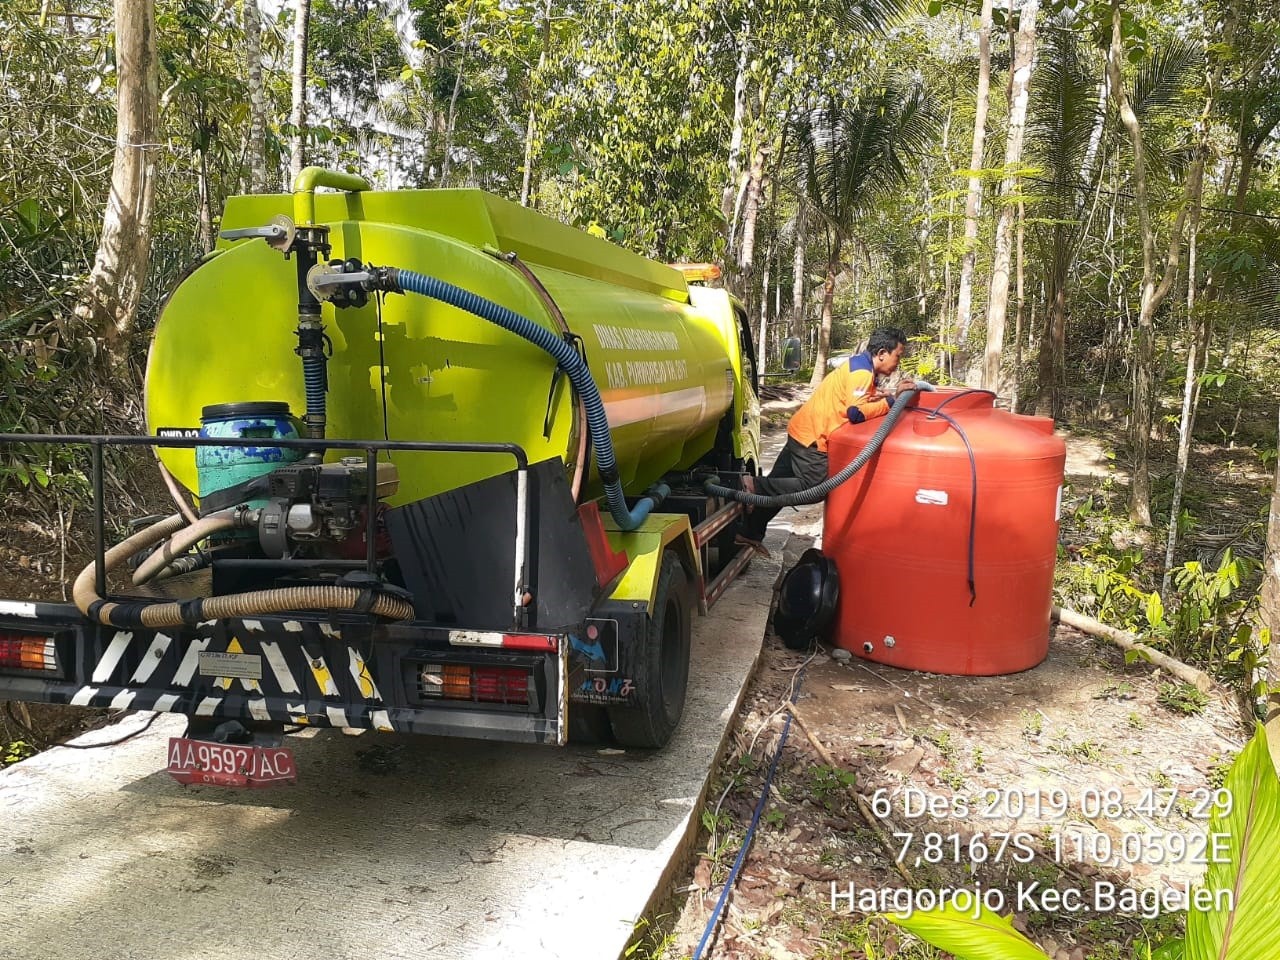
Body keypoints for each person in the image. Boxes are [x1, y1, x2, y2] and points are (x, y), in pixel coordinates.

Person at [736, 326, 912, 555]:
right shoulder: (862, 373)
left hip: (802, 430)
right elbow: (855, 413)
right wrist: (892, 402)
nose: (898, 362)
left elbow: (853, 399)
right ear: (881, 353)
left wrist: (880, 397)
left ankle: (748, 533)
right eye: (897, 356)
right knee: (815, 488)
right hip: (812, 439)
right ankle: (754, 485)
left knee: (780, 488)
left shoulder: (860, 365)